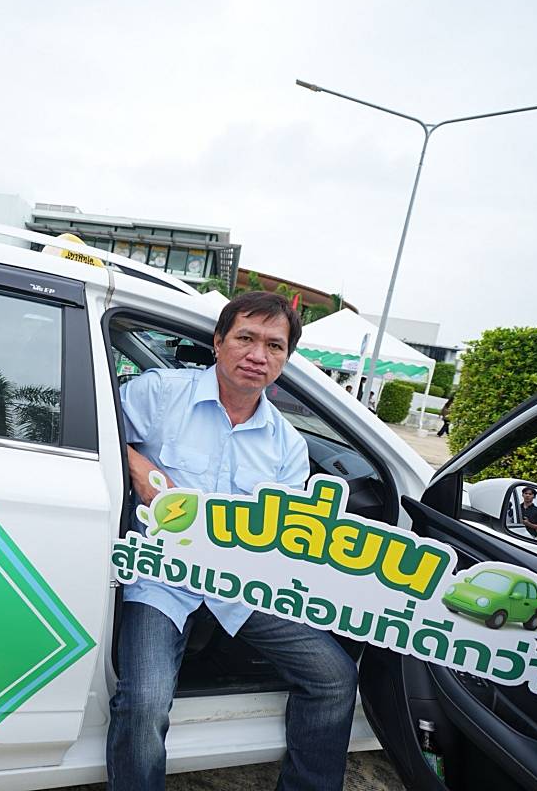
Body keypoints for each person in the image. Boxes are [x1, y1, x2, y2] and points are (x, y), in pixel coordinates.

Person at [109, 292, 358, 791]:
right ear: (219, 342)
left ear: (285, 359)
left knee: (335, 678)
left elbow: (282, 535)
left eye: (274, 345)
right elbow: (94, 429)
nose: (258, 355)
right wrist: (137, 465)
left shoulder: (287, 445)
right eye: (246, 338)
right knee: (145, 702)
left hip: (240, 587)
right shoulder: (160, 393)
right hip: (160, 579)